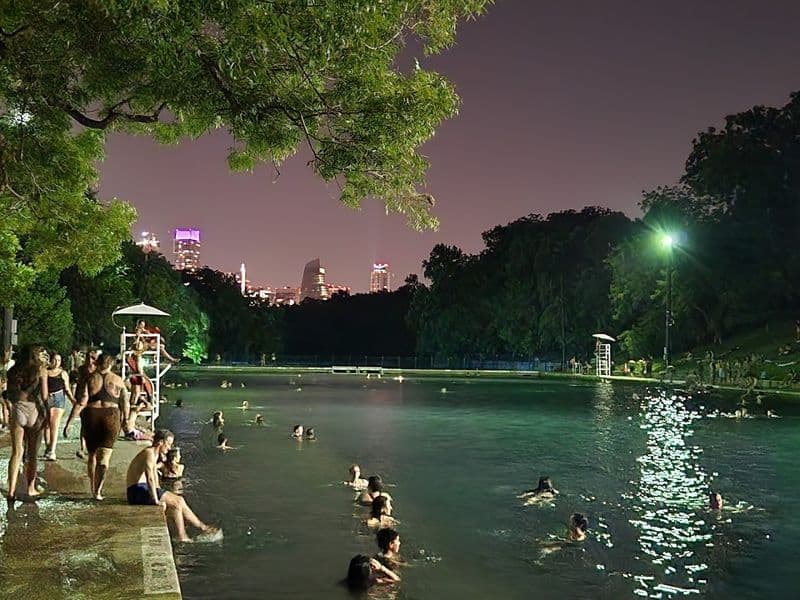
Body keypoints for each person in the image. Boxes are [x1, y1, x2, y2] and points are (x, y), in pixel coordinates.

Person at [126, 429, 219, 542]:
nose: (170, 448)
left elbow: (154, 478)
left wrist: (160, 491)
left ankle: (200, 528)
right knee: (176, 503)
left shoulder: (154, 454)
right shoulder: (149, 453)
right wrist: (155, 500)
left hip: (141, 488)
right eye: (168, 444)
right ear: (160, 442)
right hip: (136, 491)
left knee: (179, 501)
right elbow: (150, 477)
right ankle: (183, 536)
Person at [5, 345, 48, 506]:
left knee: (16, 452)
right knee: (32, 453)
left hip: (18, 409)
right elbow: (44, 396)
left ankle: (11, 490)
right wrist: (47, 415)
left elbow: (9, 394)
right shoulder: (40, 370)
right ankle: (30, 487)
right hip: (34, 410)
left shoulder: (14, 371)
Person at [81, 353, 126, 500]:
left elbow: (82, 399)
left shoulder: (90, 378)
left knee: (92, 455)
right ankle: (99, 491)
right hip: (111, 416)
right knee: (104, 457)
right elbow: (125, 403)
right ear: (111, 364)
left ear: (97, 363)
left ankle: (92, 488)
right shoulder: (118, 380)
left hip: (92, 414)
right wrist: (125, 421)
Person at [62, 348, 98, 458]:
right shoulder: (82, 369)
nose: (90, 361)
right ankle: (82, 447)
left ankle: (91, 447)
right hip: (84, 395)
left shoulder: (97, 369)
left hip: (94, 398)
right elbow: (80, 385)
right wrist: (75, 397)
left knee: (93, 424)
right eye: (88, 358)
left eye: (92, 358)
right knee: (84, 423)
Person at [43, 352, 77, 460]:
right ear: (50, 361)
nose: (57, 362)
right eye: (55, 360)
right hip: (46, 398)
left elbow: (67, 388)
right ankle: (48, 447)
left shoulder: (62, 373)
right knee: (47, 425)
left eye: (59, 360)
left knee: (54, 423)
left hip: (58, 398)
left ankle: (52, 450)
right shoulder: (45, 372)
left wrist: (72, 400)